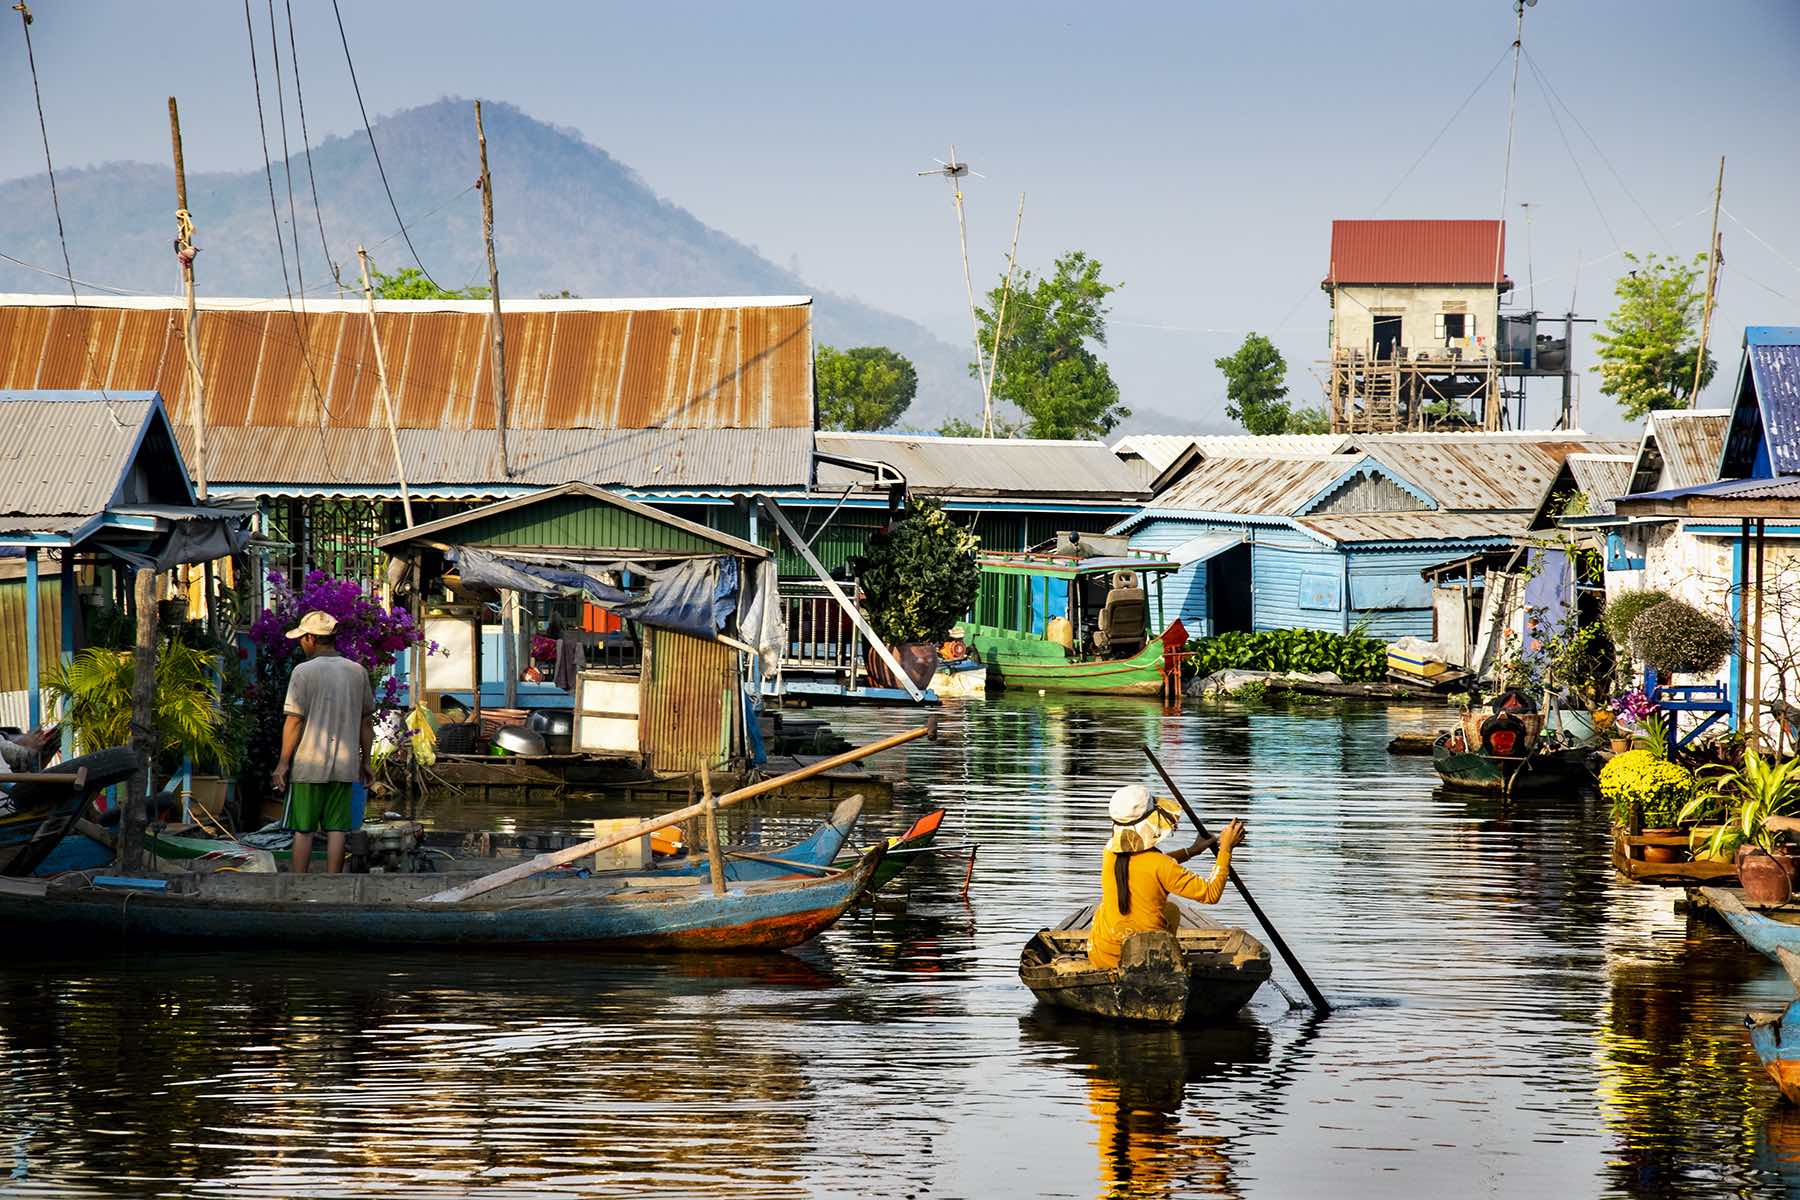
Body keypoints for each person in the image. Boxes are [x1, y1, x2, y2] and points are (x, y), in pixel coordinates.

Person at [1088, 783, 1246, 969]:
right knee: (1171, 910)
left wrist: (1192, 851)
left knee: (1102, 910)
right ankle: (1163, 962)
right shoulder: (1160, 865)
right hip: (1145, 962)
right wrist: (1226, 849)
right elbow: (1210, 894)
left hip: (1102, 957)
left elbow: (1150, 868)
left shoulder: (1109, 852)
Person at [271, 610, 375, 874]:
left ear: (310, 638)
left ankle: (297, 883)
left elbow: (294, 721)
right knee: (338, 829)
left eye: (301, 639)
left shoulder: (303, 671)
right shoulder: (357, 671)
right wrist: (367, 761)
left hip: (309, 763)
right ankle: (334, 883)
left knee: (303, 829)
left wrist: (283, 763)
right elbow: (366, 723)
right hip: (345, 762)